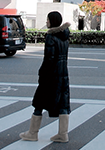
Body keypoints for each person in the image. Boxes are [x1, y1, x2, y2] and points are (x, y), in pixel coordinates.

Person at [20, 11, 71, 143]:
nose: (46, 22)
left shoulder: (51, 37)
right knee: (63, 103)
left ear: (52, 21)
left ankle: (32, 133)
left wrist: (42, 73)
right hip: (63, 74)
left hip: (51, 75)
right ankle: (63, 134)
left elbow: (49, 59)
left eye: (47, 20)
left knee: (39, 102)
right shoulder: (65, 36)